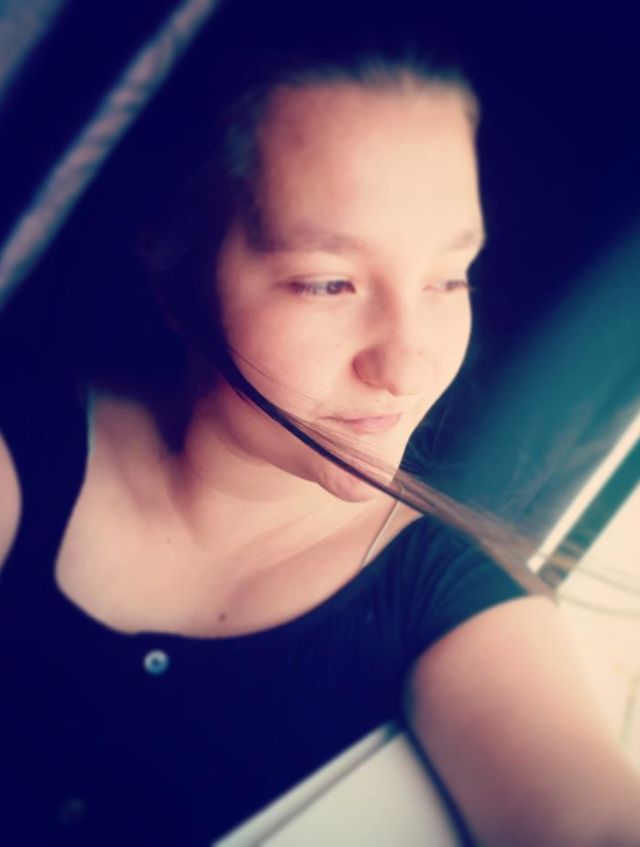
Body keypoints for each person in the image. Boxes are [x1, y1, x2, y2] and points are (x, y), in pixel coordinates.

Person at [1, 6, 639, 846]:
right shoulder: (22, 439)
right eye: (328, 284)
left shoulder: (448, 598)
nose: (406, 366)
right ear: (178, 261)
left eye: (450, 278)